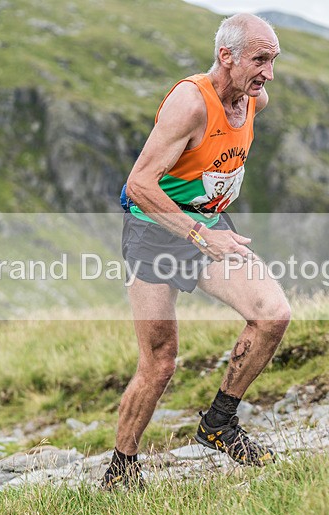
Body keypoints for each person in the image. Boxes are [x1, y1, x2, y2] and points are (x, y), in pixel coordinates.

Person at [103, 13, 289, 490]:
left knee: (272, 314)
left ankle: (219, 423)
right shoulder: (190, 103)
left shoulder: (254, 99)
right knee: (160, 361)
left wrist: (209, 227)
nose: (268, 73)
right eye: (260, 60)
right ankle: (122, 468)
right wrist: (201, 235)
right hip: (155, 230)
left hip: (208, 226)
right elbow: (139, 185)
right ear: (226, 56)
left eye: (273, 61)